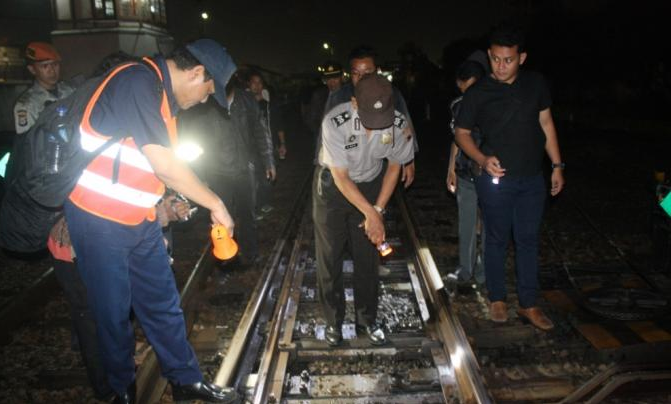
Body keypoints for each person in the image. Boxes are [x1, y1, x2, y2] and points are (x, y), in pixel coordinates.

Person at [62, 39, 239, 403]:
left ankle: (185, 379)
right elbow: (164, 164)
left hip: (138, 220)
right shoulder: (137, 82)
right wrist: (216, 203)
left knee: (162, 304)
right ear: (196, 73)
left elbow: (148, 167)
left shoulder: (159, 95)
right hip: (99, 220)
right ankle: (121, 390)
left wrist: (165, 202)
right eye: (209, 91)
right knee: (113, 315)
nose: (206, 100)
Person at [455, 25, 565, 331]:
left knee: (528, 240)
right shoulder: (478, 93)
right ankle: (498, 298)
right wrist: (481, 158)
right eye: (496, 59)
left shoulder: (536, 84)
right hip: (496, 180)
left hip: (532, 180)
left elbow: (546, 123)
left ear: (522, 58)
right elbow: (461, 132)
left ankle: (529, 303)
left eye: (508, 60)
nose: (501, 66)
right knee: (497, 238)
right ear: (489, 56)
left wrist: (557, 165)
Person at [314, 74, 414, 346]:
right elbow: (342, 178)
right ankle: (333, 321)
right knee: (330, 257)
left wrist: (378, 209)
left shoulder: (398, 123)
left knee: (367, 256)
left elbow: (394, 166)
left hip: (370, 184)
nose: (375, 128)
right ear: (355, 103)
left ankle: (366, 320)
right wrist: (372, 214)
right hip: (334, 189)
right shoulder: (334, 122)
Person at [180, 76, 274, 266]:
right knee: (221, 217)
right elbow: (196, 139)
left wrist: (268, 161)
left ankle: (250, 254)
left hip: (244, 168)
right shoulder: (205, 101)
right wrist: (200, 177)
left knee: (248, 214)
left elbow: (260, 130)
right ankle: (225, 258)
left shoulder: (246, 101)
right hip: (217, 171)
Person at [322, 46, 418, 188]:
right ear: (350, 74)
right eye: (356, 73)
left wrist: (409, 160)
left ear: (377, 71)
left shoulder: (389, 92)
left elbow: (404, 124)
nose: (361, 78)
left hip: (373, 167)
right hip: (342, 169)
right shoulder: (339, 96)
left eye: (367, 72)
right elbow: (325, 132)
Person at [446, 59, 487, 286]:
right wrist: (451, 168)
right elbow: (457, 139)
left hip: (491, 174)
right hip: (464, 172)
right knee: (467, 223)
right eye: (465, 87)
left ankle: (485, 273)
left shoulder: (494, 102)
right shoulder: (457, 105)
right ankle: (466, 270)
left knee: (491, 225)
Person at [14, 42, 74, 135]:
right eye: (45, 66)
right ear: (32, 70)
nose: (52, 71)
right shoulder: (27, 105)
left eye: (55, 65)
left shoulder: (70, 91)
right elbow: (27, 143)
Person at [247, 71, 280, 217]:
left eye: (259, 82)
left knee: (267, 178)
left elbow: (278, 123)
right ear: (249, 84)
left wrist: (282, 143)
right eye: (253, 82)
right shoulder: (244, 104)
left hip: (267, 145)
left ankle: (263, 203)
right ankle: (254, 208)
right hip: (250, 148)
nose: (257, 85)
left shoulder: (267, 104)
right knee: (252, 180)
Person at [306, 61, 344, 139]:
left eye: (335, 77)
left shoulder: (349, 95)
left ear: (342, 77)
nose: (332, 81)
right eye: (328, 78)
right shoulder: (319, 95)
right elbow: (312, 118)